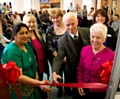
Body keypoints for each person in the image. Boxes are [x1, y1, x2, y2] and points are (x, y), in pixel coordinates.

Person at [1, 22, 51, 99]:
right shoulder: (12, 50)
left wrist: (39, 84)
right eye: (21, 33)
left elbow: (34, 64)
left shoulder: (26, 45)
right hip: (21, 91)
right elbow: (19, 77)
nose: (25, 35)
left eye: (26, 33)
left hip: (32, 86)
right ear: (15, 35)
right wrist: (38, 83)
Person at [52, 12, 90, 99]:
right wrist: (54, 72)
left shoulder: (87, 31)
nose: (70, 27)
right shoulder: (62, 41)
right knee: (76, 94)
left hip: (88, 70)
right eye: (67, 25)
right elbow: (59, 58)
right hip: (73, 71)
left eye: (73, 24)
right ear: (64, 25)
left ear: (77, 21)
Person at [77, 23, 115, 99]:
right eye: (92, 37)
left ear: (104, 39)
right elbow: (80, 69)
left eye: (98, 37)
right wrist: (80, 83)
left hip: (100, 92)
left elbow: (112, 78)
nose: (94, 40)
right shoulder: (84, 50)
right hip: (84, 88)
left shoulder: (112, 55)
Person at [23, 14, 50, 99]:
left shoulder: (37, 34)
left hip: (41, 65)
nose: (31, 24)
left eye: (33, 22)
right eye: (29, 22)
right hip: (32, 68)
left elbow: (43, 48)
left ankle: (44, 95)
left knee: (40, 81)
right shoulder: (24, 37)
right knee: (34, 86)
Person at [46, 8, 66, 98]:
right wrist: (59, 57)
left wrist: (67, 56)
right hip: (55, 56)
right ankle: (60, 88)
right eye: (53, 18)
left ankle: (69, 87)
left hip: (68, 56)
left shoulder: (67, 26)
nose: (55, 20)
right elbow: (49, 45)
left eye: (57, 17)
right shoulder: (50, 29)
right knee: (58, 73)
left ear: (61, 17)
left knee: (68, 72)